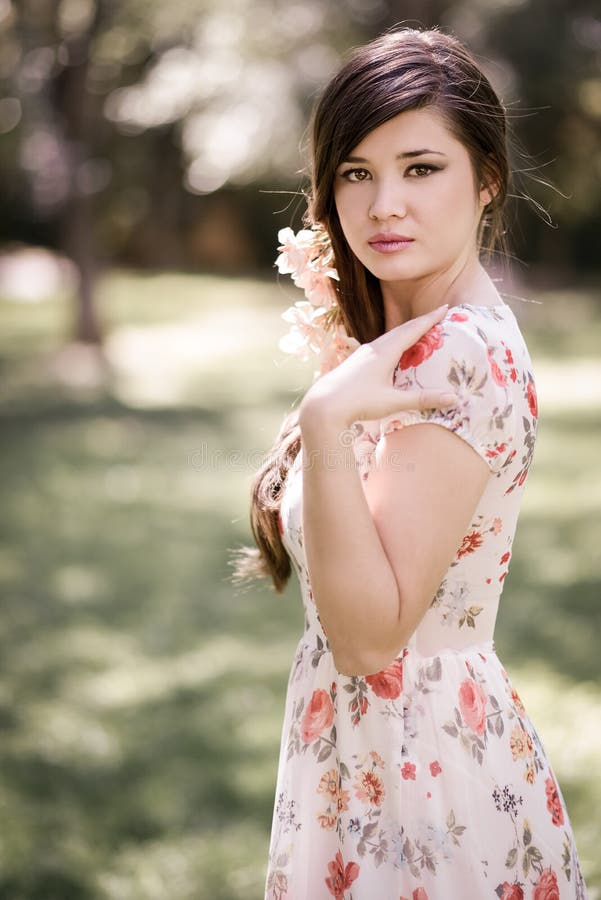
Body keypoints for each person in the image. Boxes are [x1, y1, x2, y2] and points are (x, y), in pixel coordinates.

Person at [230, 25, 588, 899]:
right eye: (356, 172)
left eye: (420, 167)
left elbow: (365, 640)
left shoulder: (456, 355)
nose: (384, 203)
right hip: (370, 750)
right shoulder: (409, 343)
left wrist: (322, 423)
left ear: (486, 179)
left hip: (415, 771)